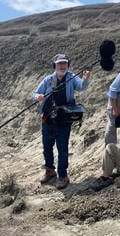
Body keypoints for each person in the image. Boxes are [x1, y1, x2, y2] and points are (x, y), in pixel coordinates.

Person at [33, 54, 90, 189]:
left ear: (68, 65)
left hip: (64, 119)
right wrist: (38, 97)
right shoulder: (48, 80)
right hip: (48, 118)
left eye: (64, 63)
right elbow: (34, 94)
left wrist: (85, 79)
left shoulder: (72, 77)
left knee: (62, 148)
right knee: (47, 146)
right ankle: (49, 170)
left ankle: (63, 176)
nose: (62, 66)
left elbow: (82, 87)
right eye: (59, 64)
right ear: (55, 66)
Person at [104, 73, 120, 145]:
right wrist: (115, 108)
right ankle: (110, 149)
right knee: (113, 122)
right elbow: (112, 90)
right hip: (115, 101)